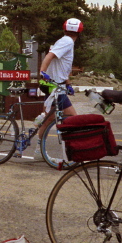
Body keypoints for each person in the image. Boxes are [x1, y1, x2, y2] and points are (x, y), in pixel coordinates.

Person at [34, 18, 83, 157]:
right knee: (72, 117)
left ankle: (39, 150)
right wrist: (42, 72)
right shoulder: (67, 42)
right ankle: (73, 151)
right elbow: (49, 56)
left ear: (64, 29)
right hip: (54, 86)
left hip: (56, 86)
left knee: (48, 118)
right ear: (80, 33)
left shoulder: (64, 41)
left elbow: (61, 66)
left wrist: (68, 83)